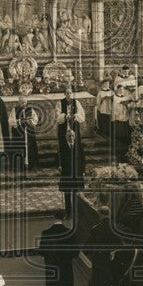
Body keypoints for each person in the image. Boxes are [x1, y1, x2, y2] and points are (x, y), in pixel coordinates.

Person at [38, 211, 79, 286]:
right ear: (64, 217)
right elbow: (75, 252)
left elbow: (41, 251)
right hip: (66, 269)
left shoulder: (46, 233)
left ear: (53, 217)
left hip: (52, 269)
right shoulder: (70, 233)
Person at [57, 87, 86, 218]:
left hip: (74, 129)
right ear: (64, 93)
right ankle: (69, 212)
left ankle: (78, 210)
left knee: (75, 148)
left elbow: (82, 116)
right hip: (64, 129)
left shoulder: (76, 103)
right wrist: (64, 116)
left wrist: (73, 116)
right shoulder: (60, 103)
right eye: (67, 93)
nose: (68, 95)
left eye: (70, 93)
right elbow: (57, 117)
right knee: (65, 148)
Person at [9, 95, 40, 173]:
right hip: (19, 133)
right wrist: (19, 121)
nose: (23, 104)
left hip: (28, 131)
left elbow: (35, 119)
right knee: (19, 146)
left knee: (30, 146)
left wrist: (30, 121)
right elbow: (10, 121)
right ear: (19, 102)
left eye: (24, 102)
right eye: (21, 102)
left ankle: (31, 164)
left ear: (27, 102)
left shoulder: (30, 109)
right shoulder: (14, 110)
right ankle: (19, 165)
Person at [95, 78, 113, 142]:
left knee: (109, 119)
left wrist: (111, 98)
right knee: (103, 119)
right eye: (105, 84)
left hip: (110, 107)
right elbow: (97, 102)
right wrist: (103, 99)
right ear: (102, 85)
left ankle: (109, 132)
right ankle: (103, 131)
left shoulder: (111, 92)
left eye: (108, 84)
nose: (106, 85)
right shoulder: (100, 92)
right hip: (103, 107)